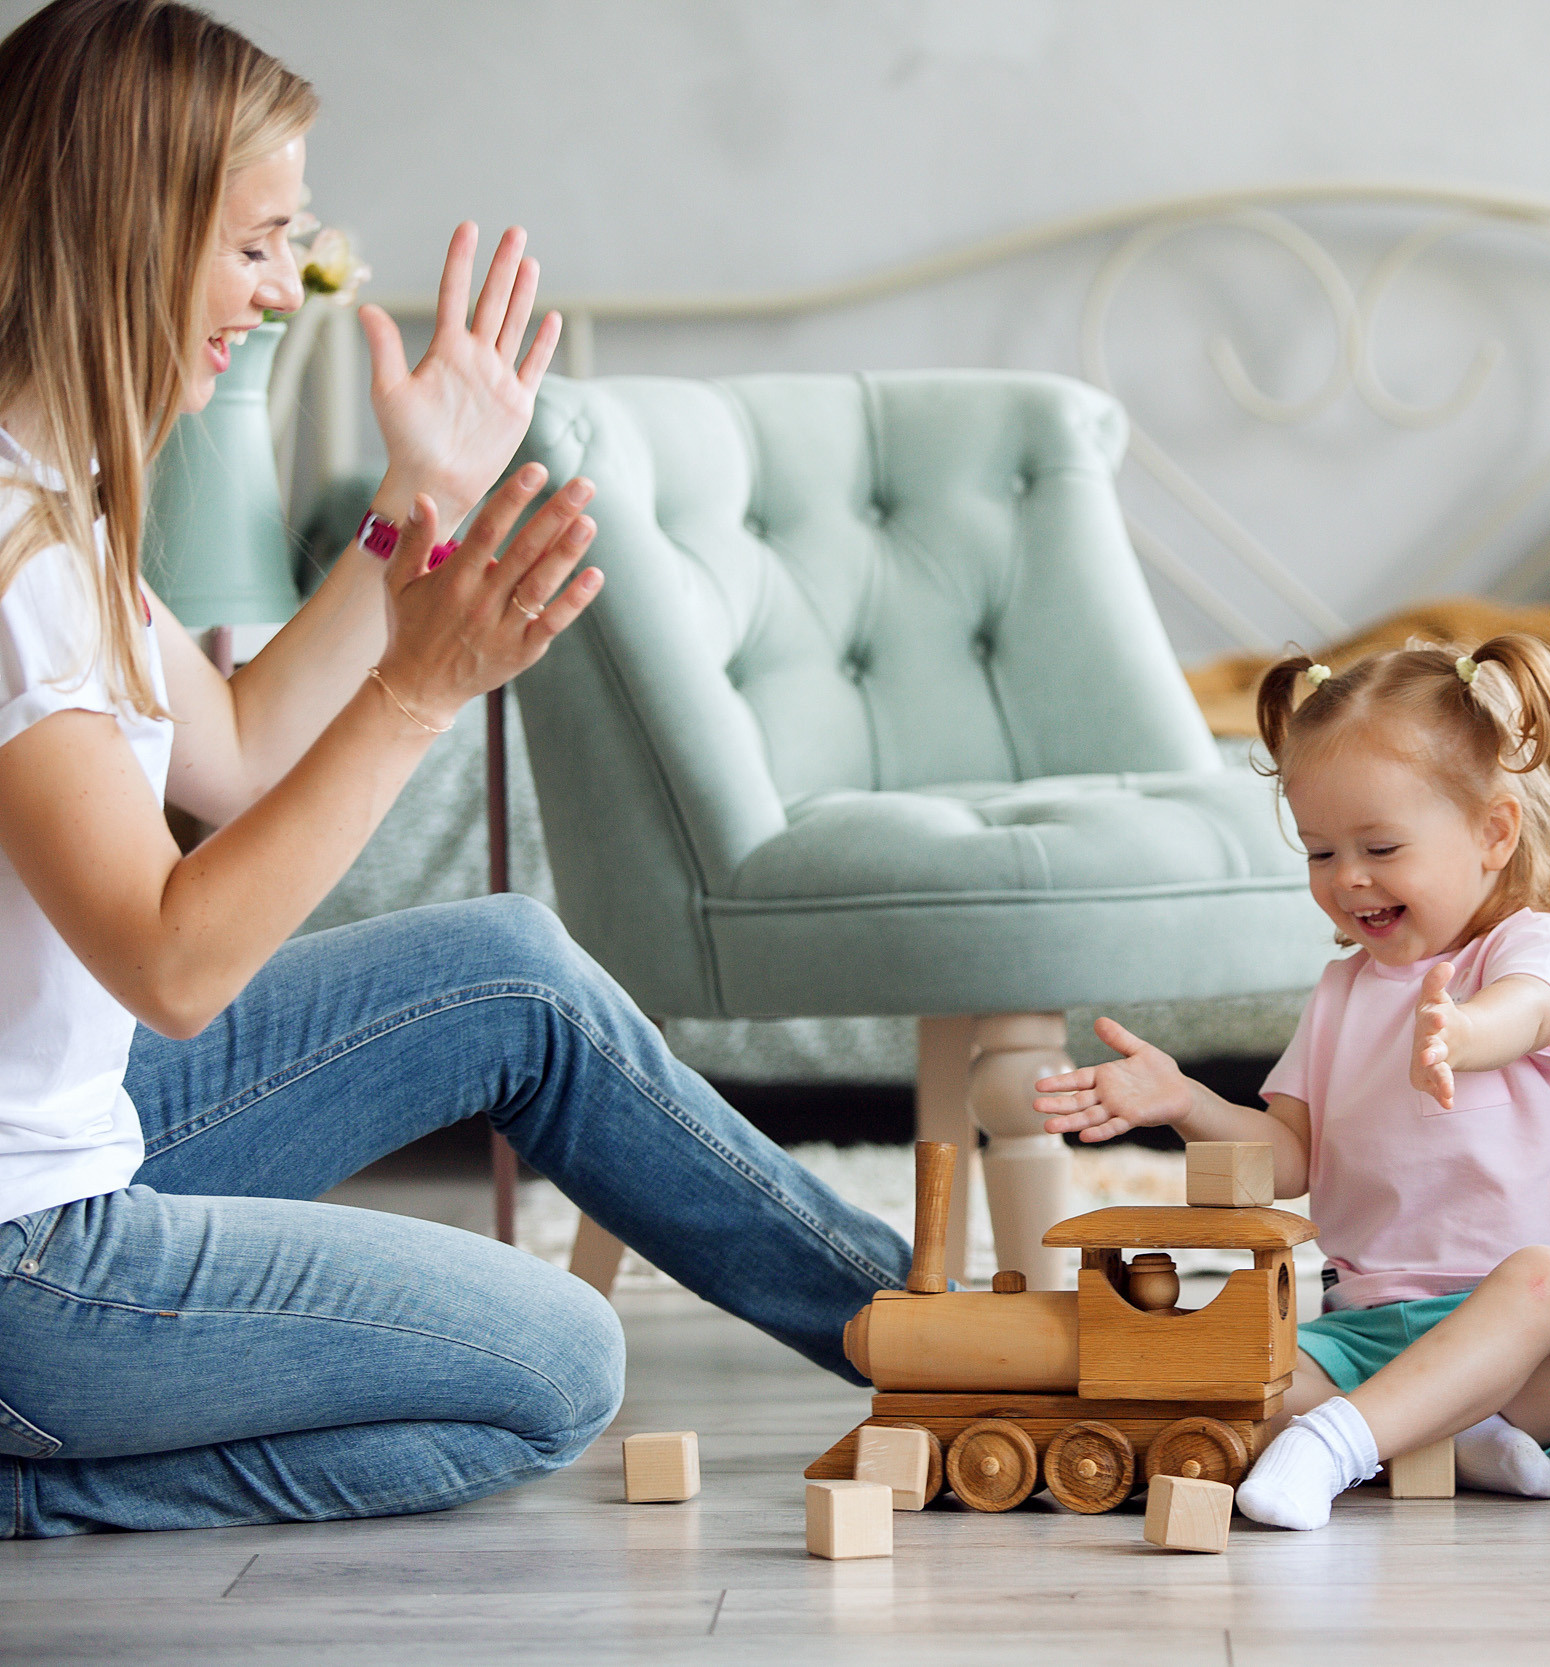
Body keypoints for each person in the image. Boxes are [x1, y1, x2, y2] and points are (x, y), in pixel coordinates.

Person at [0, 0, 909, 1538]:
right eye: (259, 242)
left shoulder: (47, 491)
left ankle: (923, 1327)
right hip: (32, 1255)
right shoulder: (15, 560)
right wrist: (418, 695)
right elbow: (173, 958)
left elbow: (233, 752)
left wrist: (420, 491)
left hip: (74, 1125)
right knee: (555, 1367)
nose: (283, 291)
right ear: (126, 233)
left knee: (513, 975)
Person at [1034, 636, 1550, 1530]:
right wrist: (1183, 1101)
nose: (1348, 878)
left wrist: (1464, 1031)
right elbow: (1287, 1158)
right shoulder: (1340, 994)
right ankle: (1436, 1435)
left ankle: (1342, 1445)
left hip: (1548, 1352)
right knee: (1214, 1369)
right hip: (1368, 1331)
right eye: (1322, 852)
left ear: (1494, 832)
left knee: (1541, 1281)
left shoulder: (1526, 947)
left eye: (1381, 846)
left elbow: (1534, 1012)